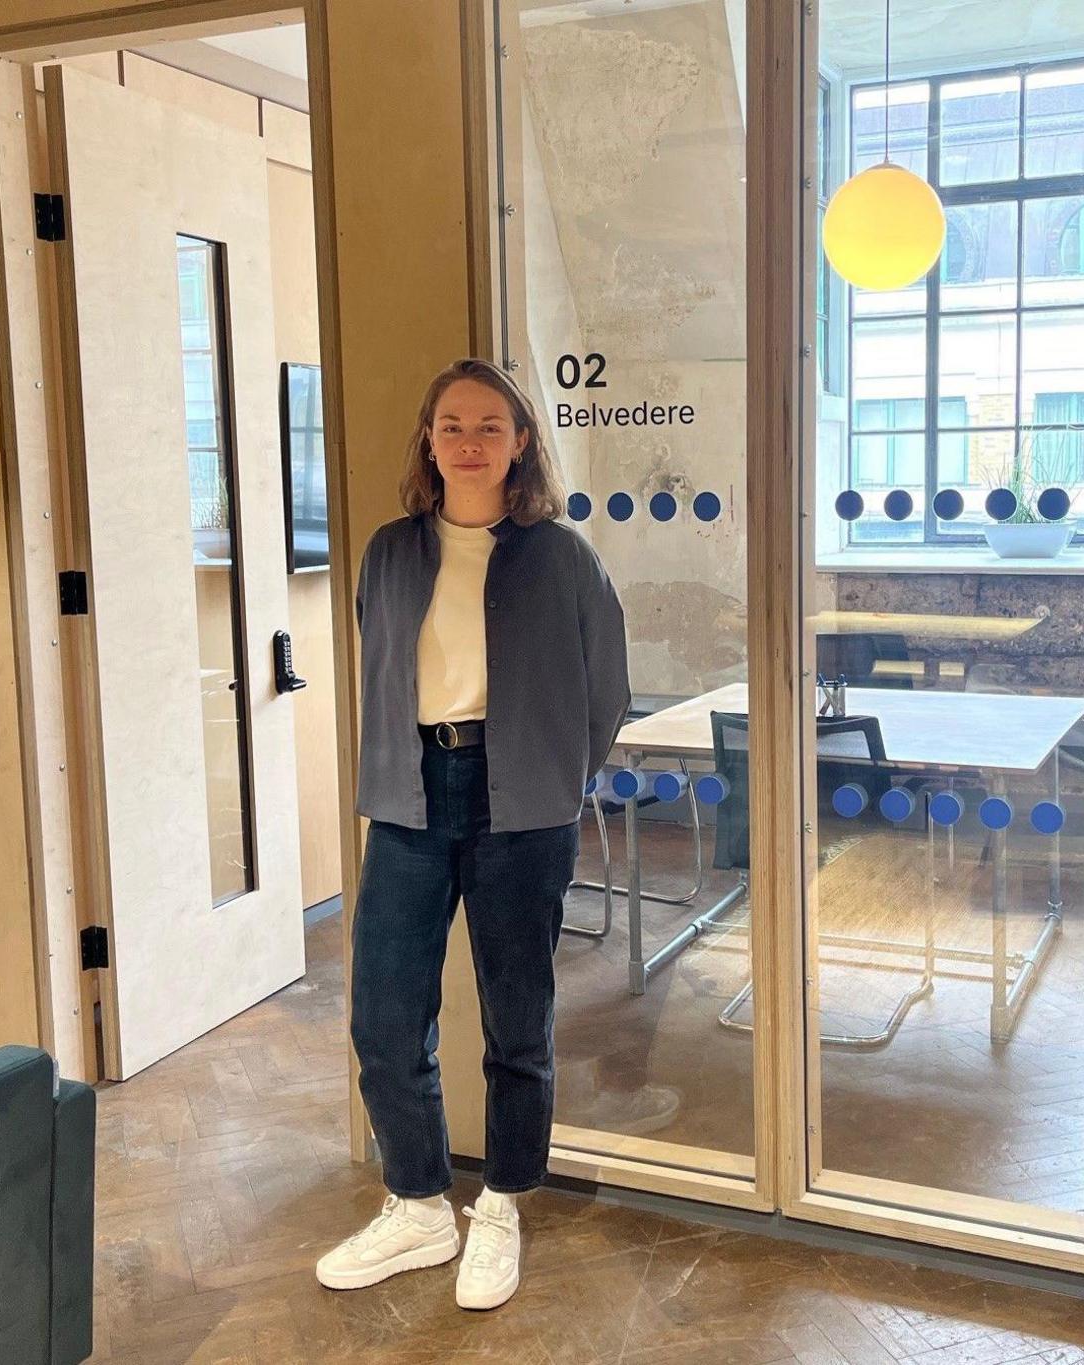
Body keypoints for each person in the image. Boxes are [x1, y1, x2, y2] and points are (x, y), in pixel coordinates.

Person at [315, 358, 630, 1310]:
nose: (470, 441)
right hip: (412, 796)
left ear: (521, 441)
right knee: (383, 1015)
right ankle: (417, 1203)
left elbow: (606, 688)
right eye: (452, 424)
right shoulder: (389, 550)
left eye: (490, 426)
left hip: (522, 806)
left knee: (516, 1019)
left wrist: (556, 777)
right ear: (429, 438)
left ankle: (500, 1204)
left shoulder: (564, 557)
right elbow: (379, 656)